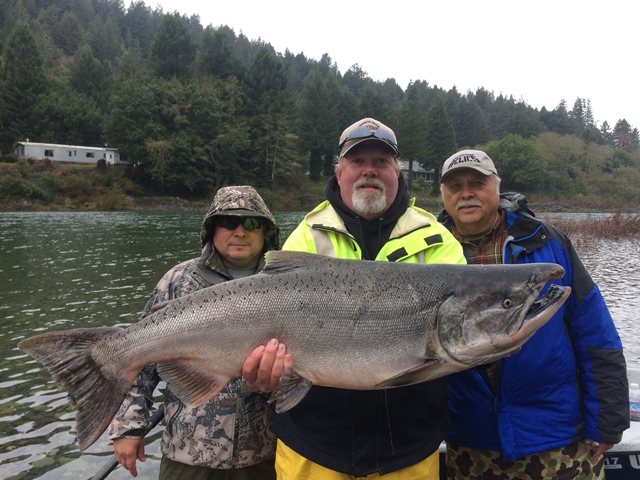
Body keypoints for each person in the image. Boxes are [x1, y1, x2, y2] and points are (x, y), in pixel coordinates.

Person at [243, 118, 466, 479]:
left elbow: (462, 326)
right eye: (358, 161)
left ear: (397, 171)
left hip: (407, 449)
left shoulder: (437, 239)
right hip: (314, 446)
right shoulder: (307, 234)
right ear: (340, 172)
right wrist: (269, 371)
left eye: (381, 161)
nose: (369, 170)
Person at [438, 149, 630, 480]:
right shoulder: (427, 249)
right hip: (470, 438)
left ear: (497, 187)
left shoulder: (547, 243)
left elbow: (595, 333)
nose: (466, 193)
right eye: (455, 185)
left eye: (477, 183)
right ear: (443, 194)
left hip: (557, 438)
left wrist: (607, 419)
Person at [109, 186, 281, 480]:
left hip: (265, 453)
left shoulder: (286, 283)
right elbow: (139, 360)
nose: (240, 231)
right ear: (212, 228)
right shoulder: (179, 280)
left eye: (252, 222)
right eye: (228, 221)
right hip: (188, 453)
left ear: (266, 231)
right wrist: (128, 427)